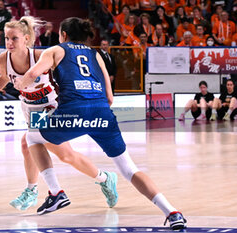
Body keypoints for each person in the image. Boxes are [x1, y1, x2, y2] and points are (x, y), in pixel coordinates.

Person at [14, 17, 187, 230]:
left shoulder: (55, 50)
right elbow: (110, 97)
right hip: (103, 114)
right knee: (129, 169)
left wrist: (20, 84)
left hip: (73, 112)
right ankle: (172, 212)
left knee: (31, 135)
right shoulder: (96, 54)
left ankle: (55, 192)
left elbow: (32, 74)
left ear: (64, 35)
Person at [0, 16, 119, 211]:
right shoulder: (2, 59)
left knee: (35, 144)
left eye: (14, 38)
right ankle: (101, 178)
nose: (9, 42)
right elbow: (4, 78)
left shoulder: (41, 56)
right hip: (29, 108)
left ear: (26, 38)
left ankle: (70, 187)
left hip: (51, 105)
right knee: (53, 152)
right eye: (6, 38)